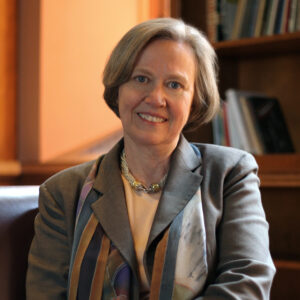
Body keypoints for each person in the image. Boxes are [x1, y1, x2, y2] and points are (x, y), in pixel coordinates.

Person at [26, 18, 275, 299]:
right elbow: (44, 294)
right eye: (141, 79)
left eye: (174, 84)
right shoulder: (63, 192)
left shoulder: (230, 174)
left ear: (195, 100)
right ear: (117, 88)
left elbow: (248, 282)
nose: (156, 97)